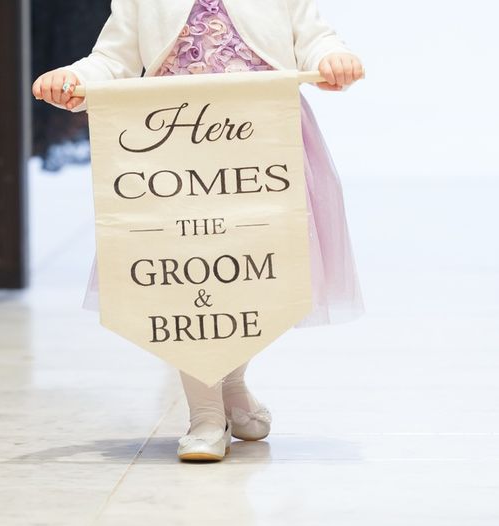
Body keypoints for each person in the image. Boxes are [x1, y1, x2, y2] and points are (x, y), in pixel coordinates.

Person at [32, 0, 366, 462]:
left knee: (252, 272)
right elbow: (113, 57)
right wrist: (76, 79)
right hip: (176, 153)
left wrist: (331, 57)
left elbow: (312, 36)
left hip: (262, 147)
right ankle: (205, 413)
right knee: (191, 273)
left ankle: (233, 383)